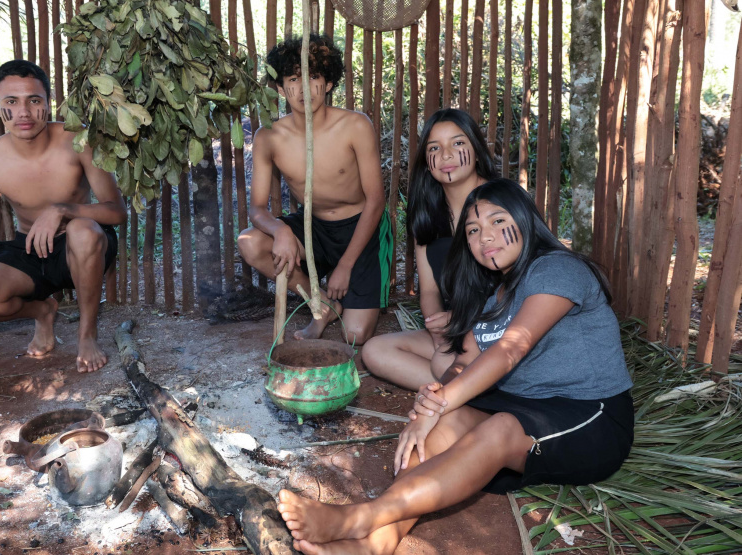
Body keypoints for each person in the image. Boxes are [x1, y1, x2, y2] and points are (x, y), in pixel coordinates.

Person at [276, 178, 634, 555]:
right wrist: (433, 399)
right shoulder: (494, 293)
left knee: (496, 426)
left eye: (498, 221)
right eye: (473, 230)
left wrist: (440, 402)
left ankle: (357, 519)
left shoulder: (556, 268)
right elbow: (465, 360)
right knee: (441, 426)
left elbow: (510, 350)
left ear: (527, 219)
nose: (486, 237)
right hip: (522, 407)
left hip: (590, 416)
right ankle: (375, 545)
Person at [0, 60, 126, 373]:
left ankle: (87, 335)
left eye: (34, 100)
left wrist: (63, 210)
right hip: (28, 249)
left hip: (82, 249)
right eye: (12, 102)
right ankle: (43, 311)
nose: (24, 113)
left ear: (48, 101)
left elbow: (116, 212)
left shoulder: (78, 141)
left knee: (83, 230)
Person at [238, 34, 389, 345]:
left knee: (354, 335)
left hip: (360, 227)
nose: (304, 88)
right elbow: (256, 209)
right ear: (280, 88)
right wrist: (280, 230)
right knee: (251, 243)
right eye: (293, 79)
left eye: (314, 77)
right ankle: (319, 304)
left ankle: (342, 297)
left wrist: (345, 266)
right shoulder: (269, 137)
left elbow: (376, 201)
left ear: (329, 83)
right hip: (312, 228)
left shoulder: (356, 126)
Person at [361, 109, 498, 390]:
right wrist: (438, 333)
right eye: (435, 147)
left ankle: (464, 393)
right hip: (455, 329)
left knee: (443, 364)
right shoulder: (427, 211)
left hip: (501, 330)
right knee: (374, 351)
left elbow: (524, 289)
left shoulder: (501, 204)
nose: (446, 155)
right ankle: (468, 395)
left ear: (476, 148)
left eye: (458, 143)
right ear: (427, 160)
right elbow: (430, 292)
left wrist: (465, 322)